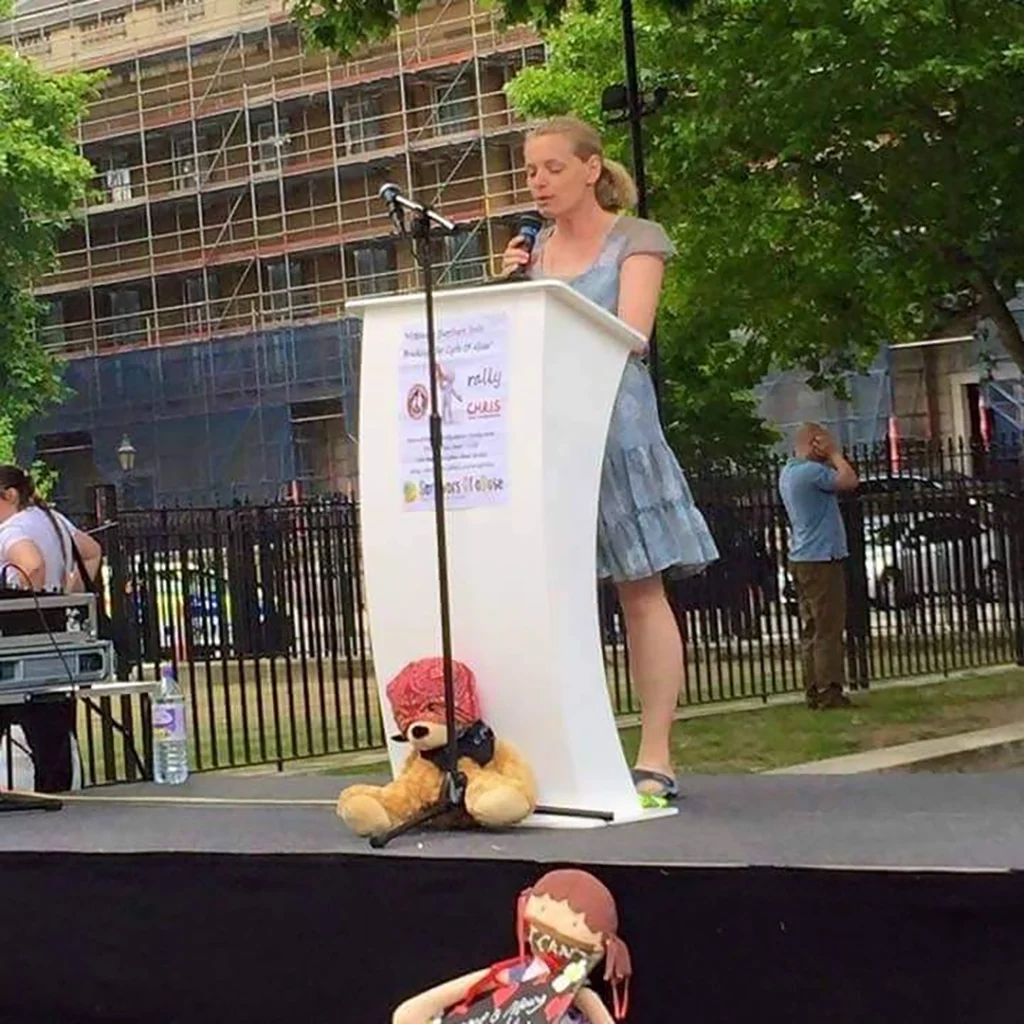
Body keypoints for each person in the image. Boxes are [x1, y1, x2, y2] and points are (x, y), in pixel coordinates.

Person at [501, 115, 719, 801]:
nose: (538, 182)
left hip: (616, 432)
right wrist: (515, 290)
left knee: (640, 591)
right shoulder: (533, 253)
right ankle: (566, 750)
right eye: (530, 170)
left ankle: (656, 754)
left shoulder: (637, 239)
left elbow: (632, 334)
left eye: (553, 167)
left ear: (592, 168)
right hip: (549, 439)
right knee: (554, 599)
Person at [0, 464, 103, 791]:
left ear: (9, 495)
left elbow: (32, 565)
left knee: (22, 709)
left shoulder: (12, 529)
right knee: (52, 730)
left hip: (18, 636)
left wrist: (25, 601)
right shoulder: (54, 520)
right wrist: (65, 597)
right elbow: (92, 552)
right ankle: (57, 793)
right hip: (54, 636)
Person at [778, 424, 860, 710]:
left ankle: (813, 687)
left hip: (802, 557)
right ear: (815, 443)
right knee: (828, 627)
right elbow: (850, 481)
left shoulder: (788, 472)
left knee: (811, 628)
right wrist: (835, 454)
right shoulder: (812, 472)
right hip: (821, 559)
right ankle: (829, 691)